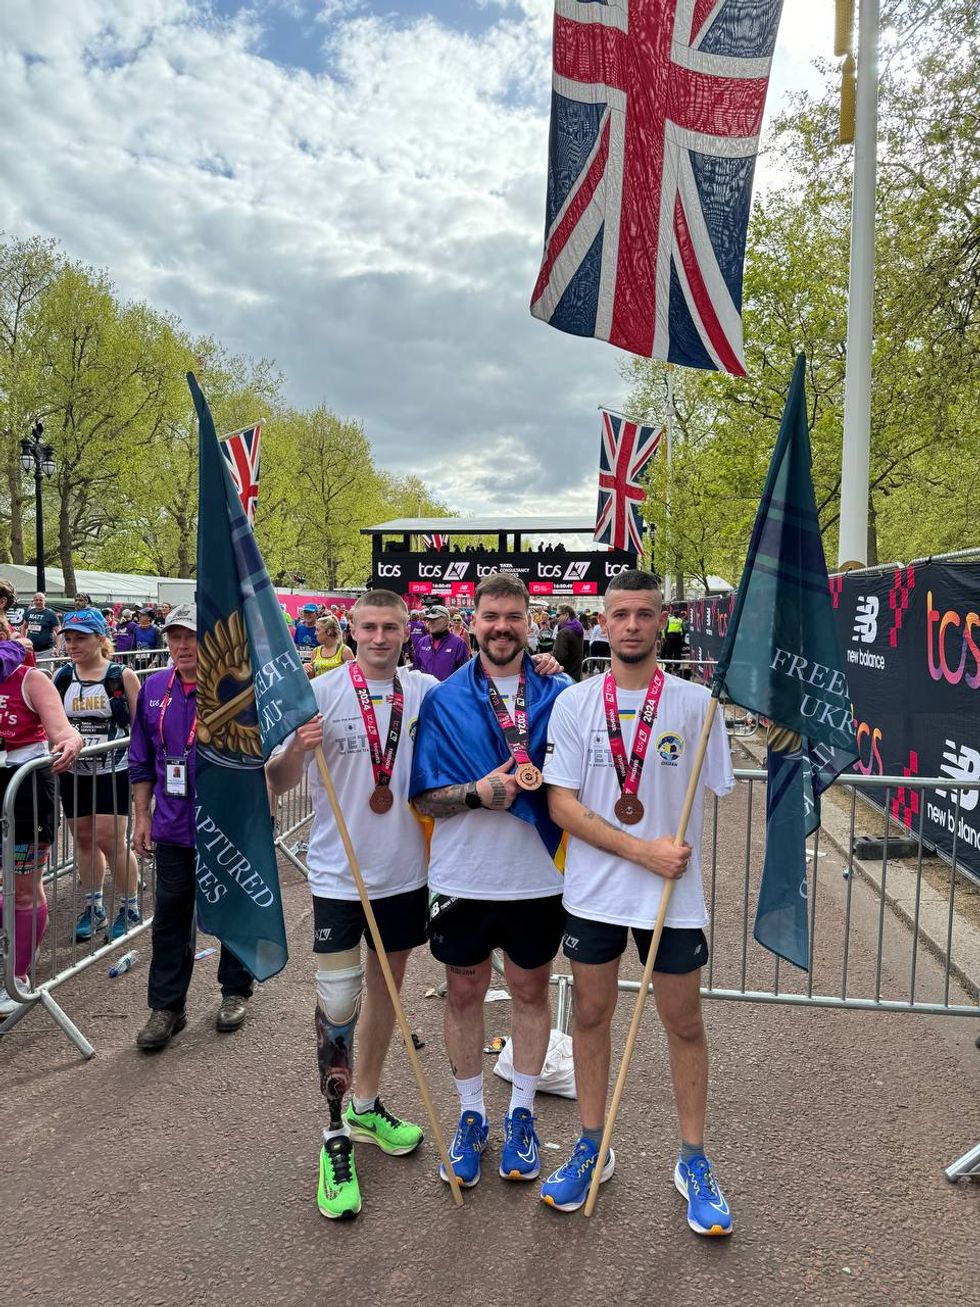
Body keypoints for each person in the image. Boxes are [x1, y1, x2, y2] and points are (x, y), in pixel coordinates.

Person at [540, 569, 735, 1232]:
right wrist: (640, 850)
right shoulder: (574, 703)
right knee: (591, 1015)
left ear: (660, 621)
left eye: (643, 614)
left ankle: (693, 1160)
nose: (630, 624)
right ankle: (592, 1145)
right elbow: (561, 804)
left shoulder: (696, 704)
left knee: (683, 1022)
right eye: (618, 613)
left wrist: (660, 860)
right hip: (595, 893)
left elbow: (719, 790)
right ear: (602, 621)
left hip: (672, 901)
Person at [267, 590, 436, 1220]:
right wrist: (295, 751)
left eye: (391, 627)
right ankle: (333, 1131)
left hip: (403, 876)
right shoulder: (321, 692)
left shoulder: (426, 691)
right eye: (369, 626)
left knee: (387, 994)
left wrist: (546, 668)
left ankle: (365, 1105)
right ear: (352, 630)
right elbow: (277, 782)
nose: (380, 637)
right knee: (337, 1004)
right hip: (339, 877)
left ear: (403, 630)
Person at [411, 572, 571, 1190]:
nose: (501, 627)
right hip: (464, 877)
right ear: (471, 622)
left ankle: (523, 1113)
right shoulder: (445, 700)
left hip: (537, 878)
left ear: (530, 622)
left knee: (532, 996)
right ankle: (473, 1115)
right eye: (490, 616)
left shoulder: (561, 693)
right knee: (462, 996)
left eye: (513, 617)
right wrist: (478, 794)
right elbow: (425, 795)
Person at [129, 605, 254, 1051]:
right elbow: (141, 759)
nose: (182, 646)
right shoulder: (154, 687)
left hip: (224, 825)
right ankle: (167, 1006)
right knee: (170, 916)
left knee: (231, 910)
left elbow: (256, 758)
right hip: (172, 826)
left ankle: (235, 991)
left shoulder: (233, 689)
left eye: (192, 637)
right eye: (175, 637)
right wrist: (142, 817)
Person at [0, 642, 84, 1015]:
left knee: (22, 888)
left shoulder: (29, 678)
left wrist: (71, 741)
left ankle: (16, 976)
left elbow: (63, 730)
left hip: (26, 790)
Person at [54, 609, 142, 943]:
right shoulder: (62, 676)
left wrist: (142, 773)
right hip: (74, 771)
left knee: (110, 838)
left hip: (112, 769)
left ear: (100, 639)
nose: (73, 645)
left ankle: (129, 906)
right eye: (69, 638)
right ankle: (94, 907)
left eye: (81, 638)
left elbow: (140, 728)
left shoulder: (122, 675)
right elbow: (52, 722)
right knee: (84, 838)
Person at [410, 605, 470, 682]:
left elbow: (464, 675)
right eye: (428, 619)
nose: (430, 622)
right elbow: (416, 671)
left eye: (434, 619)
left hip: (448, 692)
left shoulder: (458, 643)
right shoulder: (422, 642)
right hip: (426, 692)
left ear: (446, 620)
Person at [24, 592, 60, 662]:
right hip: (30, 651)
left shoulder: (51, 614)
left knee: (45, 672)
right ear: (33, 601)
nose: (38, 602)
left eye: (41, 600)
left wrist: (58, 648)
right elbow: (24, 627)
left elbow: (59, 631)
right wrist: (23, 641)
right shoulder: (29, 612)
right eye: (36, 600)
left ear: (44, 601)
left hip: (46, 651)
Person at [553, 605, 585, 682]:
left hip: (564, 676)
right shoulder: (578, 629)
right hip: (576, 674)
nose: (556, 618)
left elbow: (559, 657)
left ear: (566, 615)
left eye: (558, 615)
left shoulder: (563, 632)